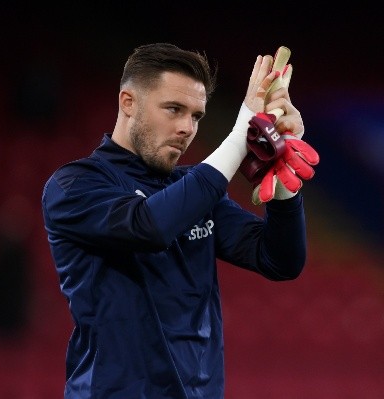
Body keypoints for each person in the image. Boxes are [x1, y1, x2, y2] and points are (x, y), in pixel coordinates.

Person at [42, 42, 316, 398]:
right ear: (129, 102)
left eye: (196, 116)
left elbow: (280, 260)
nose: (187, 128)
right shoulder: (75, 185)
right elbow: (150, 227)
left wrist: (282, 184)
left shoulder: (193, 190)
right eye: (174, 109)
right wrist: (240, 135)